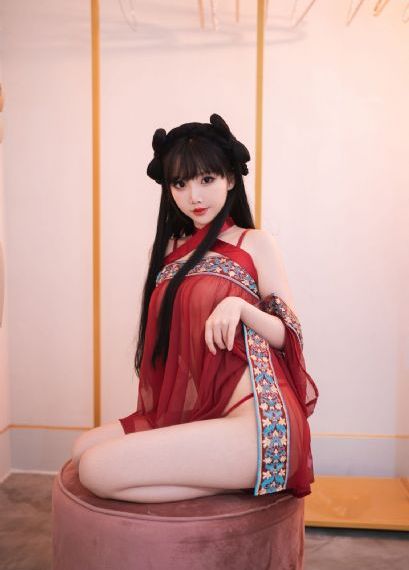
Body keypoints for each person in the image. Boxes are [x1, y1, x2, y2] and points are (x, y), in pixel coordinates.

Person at [71, 113, 319, 503]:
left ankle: (259, 466)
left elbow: (289, 334)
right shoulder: (170, 250)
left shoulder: (254, 242)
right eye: (180, 183)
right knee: (81, 449)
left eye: (206, 179)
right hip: (203, 412)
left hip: (256, 414)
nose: (194, 197)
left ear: (230, 179)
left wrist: (240, 306)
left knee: (95, 468)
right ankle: (227, 478)